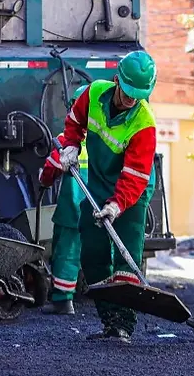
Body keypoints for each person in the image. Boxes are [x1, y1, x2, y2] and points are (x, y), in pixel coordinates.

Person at [57, 51, 158, 343]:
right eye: (128, 92)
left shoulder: (144, 123)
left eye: (138, 95)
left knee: (126, 261)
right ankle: (109, 322)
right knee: (94, 254)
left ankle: (124, 326)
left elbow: (136, 175)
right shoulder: (94, 93)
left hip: (132, 194)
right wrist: (71, 145)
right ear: (117, 81)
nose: (131, 99)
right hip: (98, 186)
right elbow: (74, 120)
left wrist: (116, 205)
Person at [39, 85, 89, 316]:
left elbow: (52, 168)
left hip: (72, 209)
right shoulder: (105, 142)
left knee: (66, 252)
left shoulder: (66, 139)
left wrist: (44, 181)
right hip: (101, 208)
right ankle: (107, 299)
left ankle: (63, 300)